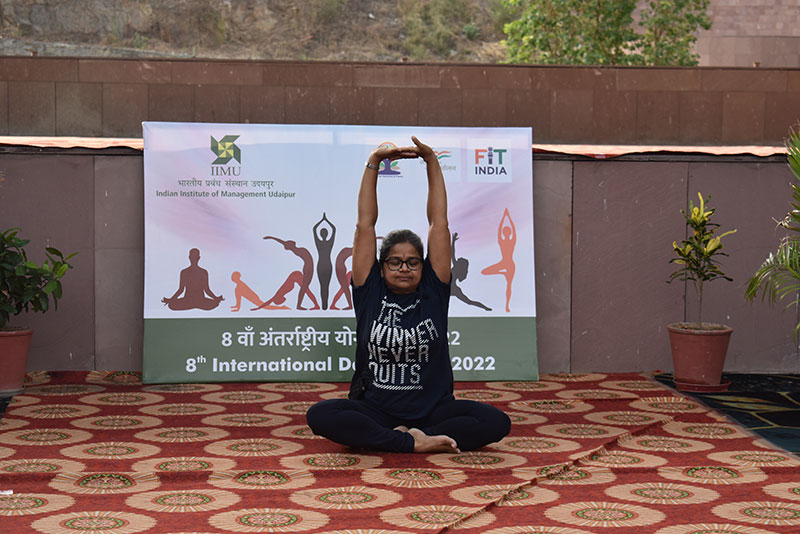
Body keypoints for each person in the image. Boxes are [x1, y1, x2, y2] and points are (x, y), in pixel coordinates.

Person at [306, 136, 511, 453]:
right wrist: (374, 161)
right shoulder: (369, 290)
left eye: (413, 262)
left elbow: (438, 222)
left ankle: (413, 434)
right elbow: (365, 224)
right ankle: (411, 442)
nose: (404, 268)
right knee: (320, 415)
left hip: (432, 410)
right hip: (378, 409)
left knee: (497, 423)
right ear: (381, 267)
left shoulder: (433, 289)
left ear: (424, 266)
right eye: (395, 262)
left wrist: (432, 162)